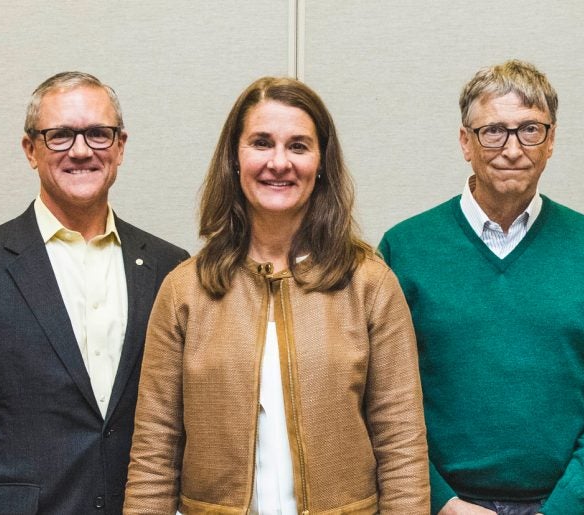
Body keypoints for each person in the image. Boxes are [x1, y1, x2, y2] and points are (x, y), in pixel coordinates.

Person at [123, 76, 429, 514]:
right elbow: (155, 453)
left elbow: (401, 448)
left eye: (299, 146)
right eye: (261, 143)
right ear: (235, 157)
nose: (279, 162)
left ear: (322, 162)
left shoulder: (370, 286)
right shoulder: (184, 291)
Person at [379, 60, 584, 515]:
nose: (512, 149)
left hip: (564, 506)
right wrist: (442, 502)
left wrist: (565, 506)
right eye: (493, 131)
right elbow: (381, 398)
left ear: (552, 140)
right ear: (465, 141)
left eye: (530, 130)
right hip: (441, 507)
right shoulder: (405, 250)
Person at [0, 72, 188, 514]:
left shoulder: (169, 267)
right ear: (31, 150)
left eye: (98, 134)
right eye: (60, 135)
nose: (81, 151)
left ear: (120, 146)